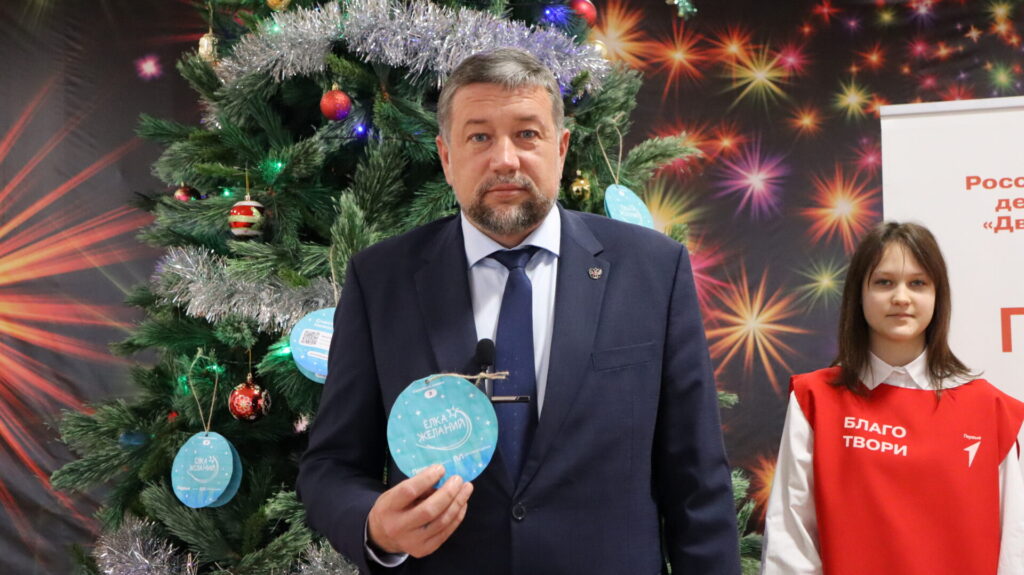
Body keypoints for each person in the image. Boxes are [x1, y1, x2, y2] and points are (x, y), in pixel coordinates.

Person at [297, 48, 740, 574]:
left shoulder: (653, 270)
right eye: (479, 137)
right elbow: (331, 466)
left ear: (561, 148)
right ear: (446, 157)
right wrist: (375, 525)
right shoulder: (380, 280)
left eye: (527, 134)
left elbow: (697, 482)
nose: (505, 159)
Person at [761, 221, 1024, 575]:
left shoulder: (992, 410)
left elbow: (1014, 550)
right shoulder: (815, 400)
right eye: (884, 282)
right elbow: (790, 542)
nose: (901, 297)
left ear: (938, 295)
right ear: (859, 293)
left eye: (918, 283)